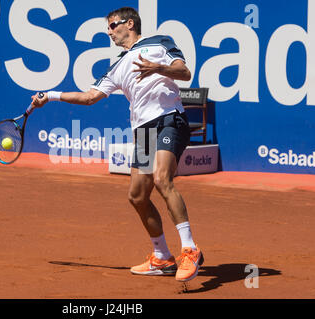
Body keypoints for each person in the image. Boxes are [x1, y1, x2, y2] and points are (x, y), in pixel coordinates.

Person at [31, 7, 203, 282]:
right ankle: (162, 257)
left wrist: (158, 68)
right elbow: (89, 97)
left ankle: (190, 250)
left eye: (112, 26)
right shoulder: (118, 66)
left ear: (129, 23)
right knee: (137, 196)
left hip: (169, 120)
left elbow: (184, 72)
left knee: (162, 179)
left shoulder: (160, 43)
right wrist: (50, 96)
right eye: (108, 27)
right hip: (144, 132)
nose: (108, 31)